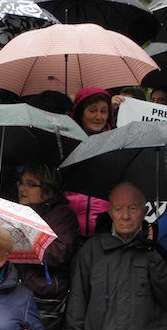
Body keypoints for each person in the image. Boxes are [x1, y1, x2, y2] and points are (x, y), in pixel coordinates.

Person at [65, 181, 167, 330]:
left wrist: (154, 253)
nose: (125, 216)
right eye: (118, 209)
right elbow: (77, 302)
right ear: (110, 212)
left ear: (144, 212)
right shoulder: (91, 249)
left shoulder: (161, 248)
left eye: (133, 208)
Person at [15, 164, 79, 330]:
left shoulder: (63, 216)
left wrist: (26, 236)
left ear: (48, 189)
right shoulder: (19, 212)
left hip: (46, 299)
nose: (22, 188)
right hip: (17, 294)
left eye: (30, 184)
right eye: (21, 182)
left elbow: (59, 254)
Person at [66, 87, 112, 237]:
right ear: (81, 113)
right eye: (92, 110)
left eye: (103, 111)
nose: (99, 117)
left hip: (104, 231)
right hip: (68, 228)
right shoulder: (65, 142)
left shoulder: (116, 144)